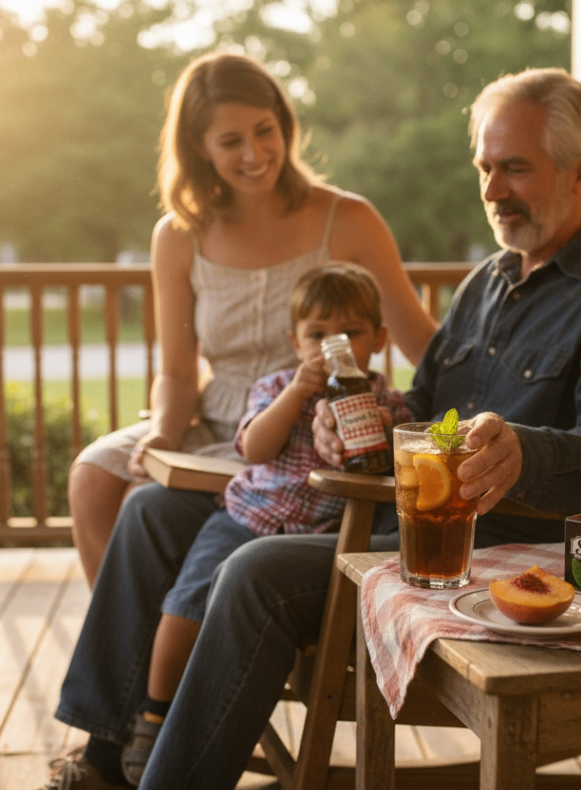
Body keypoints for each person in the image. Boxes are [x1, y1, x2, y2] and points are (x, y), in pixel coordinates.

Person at [41, 67, 581, 790]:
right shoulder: (488, 281)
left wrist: (520, 452)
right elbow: (424, 404)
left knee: (254, 572)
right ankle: (106, 759)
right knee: (151, 513)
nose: (491, 190)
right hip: (397, 514)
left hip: (500, 546)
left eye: (514, 168)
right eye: (484, 168)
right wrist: (364, 426)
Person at [67, 52, 437, 584]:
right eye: (230, 141)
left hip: (300, 436)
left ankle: (169, 632)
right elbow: (177, 372)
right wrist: (165, 434)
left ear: (284, 123)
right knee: (91, 477)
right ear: (198, 146)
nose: (254, 153)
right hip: (210, 424)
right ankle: (134, 633)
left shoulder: (349, 218)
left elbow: (423, 344)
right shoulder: (178, 235)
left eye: (265, 131)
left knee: (141, 502)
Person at [117, 264, 411, 785]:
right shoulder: (276, 386)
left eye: (350, 334)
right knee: (185, 606)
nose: (332, 348)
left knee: (229, 598)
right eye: (316, 335)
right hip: (245, 518)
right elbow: (253, 448)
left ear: (379, 339)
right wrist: (295, 394)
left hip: (313, 536)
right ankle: (154, 713)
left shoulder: (384, 401)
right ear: (295, 342)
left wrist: (383, 435)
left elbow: (392, 465)